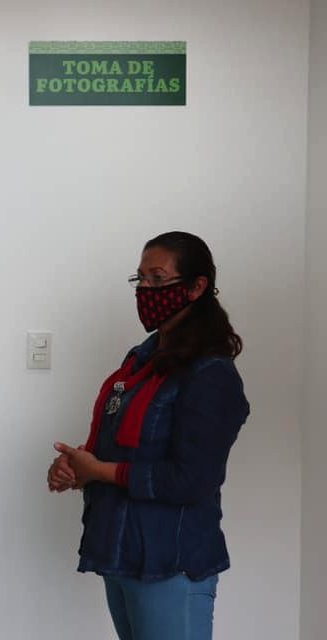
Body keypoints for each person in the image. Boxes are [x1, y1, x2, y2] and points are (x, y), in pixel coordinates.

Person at [48, 231, 249, 640]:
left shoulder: (210, 374)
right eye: (140, 279)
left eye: (157, 279)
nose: (145, 290)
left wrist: (99, 470)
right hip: (123, 555)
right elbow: (120, 448)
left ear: (196, 287)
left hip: (171, 562)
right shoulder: (141, 362)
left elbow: (192, 480)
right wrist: (77, 467)